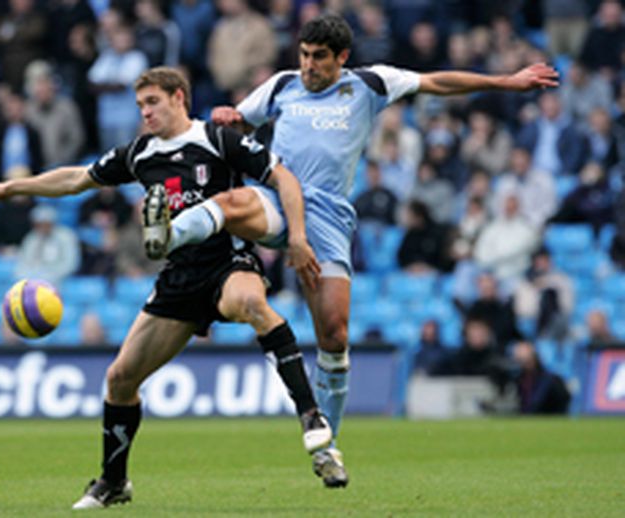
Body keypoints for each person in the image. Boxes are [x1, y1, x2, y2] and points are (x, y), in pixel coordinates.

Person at [143, 14, 559, 487]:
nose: (308, 66)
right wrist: (228, 114)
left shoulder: (369, 84)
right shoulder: (281, 86)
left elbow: (436, 81)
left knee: (335, 336)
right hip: (279, 199)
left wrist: (505, 82)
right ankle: (168, 234)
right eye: (303, 55)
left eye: (319, 57)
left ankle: (327, 448)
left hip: (327, 217)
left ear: (341, 57)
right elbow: (238, 118)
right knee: (233, 200)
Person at [0, 67, 332, 509]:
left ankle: (310, 414)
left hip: (227, 260)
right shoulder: (139, 155)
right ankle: (113, 482)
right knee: (120, 379)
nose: (145, 112)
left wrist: (296, 237)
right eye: (140, 105)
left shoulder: (218, 139)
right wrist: (12, 188)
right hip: (179, 279)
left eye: (153, 102)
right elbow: (76, 179)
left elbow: (284, 180)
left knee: (250, 302)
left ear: (178, 98)